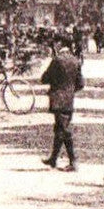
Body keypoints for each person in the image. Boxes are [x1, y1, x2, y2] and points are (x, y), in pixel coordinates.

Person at [40, 35, 84, 171]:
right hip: (69, 99)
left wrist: (56, 85)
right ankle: (53, 159)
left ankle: (73, 161)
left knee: (64, 130)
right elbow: (81, 83)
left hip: (58, 98)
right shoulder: (76, 61)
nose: (55, 45)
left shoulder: (57, 60)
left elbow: (44, 78)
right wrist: (70, 90)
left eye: (56, 43)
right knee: (59, 128)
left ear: (61, 43)